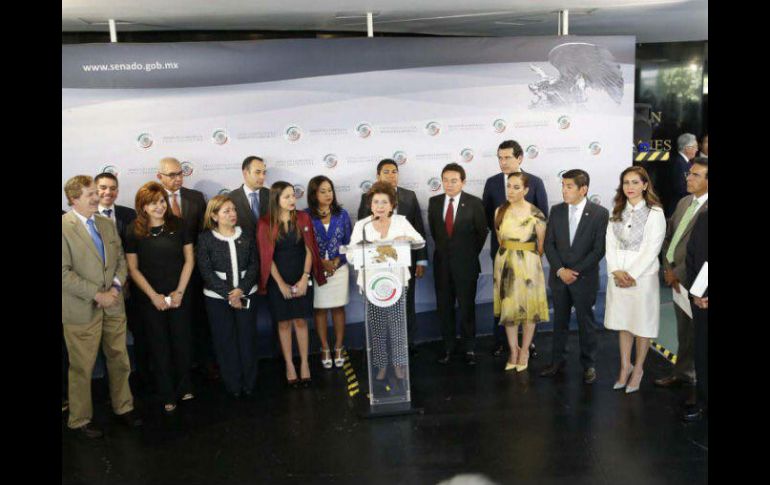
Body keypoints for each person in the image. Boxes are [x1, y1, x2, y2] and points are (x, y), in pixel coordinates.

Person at [62, 176, 142, 439]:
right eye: (90, 195)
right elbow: (64, 274)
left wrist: (115, 290)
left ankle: (124, 407)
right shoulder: (64, 227)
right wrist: (98, 295)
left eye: (96, 193)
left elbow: (120, 261)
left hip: (114, 305)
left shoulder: (107, 223)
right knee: (82, 368)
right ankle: (79, 419)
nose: (97, 198)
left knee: (120, 358)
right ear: (73, 199)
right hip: (81, 310)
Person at [125, 182, 195, 413]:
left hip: (179, 295)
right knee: (159, 346)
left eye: (162, 201)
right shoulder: (133, 230)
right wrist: (153, 296)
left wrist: (180, 292)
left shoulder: (179, 225)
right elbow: (133, 268)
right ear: (143, 207)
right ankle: (167, 393)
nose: (160, 206)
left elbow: (189, 260)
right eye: (153, 203)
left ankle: (184, 387)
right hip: (149, 299)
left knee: (181, 342)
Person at [350, 182, 426, 381]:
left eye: (384, 202)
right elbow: (350, 255)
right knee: (377, 327)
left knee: (398, 325)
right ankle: (381, 365)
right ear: (370, 205)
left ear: (392, 205)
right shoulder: (362, 225)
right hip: (372, 284)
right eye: (376, 202)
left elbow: (420, 241)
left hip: (396, 282)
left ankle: (399, 364)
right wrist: (363, 248)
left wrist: (406, 238)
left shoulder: (401, 222)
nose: (380, 206)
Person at [541, 169, 609, 384]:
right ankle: (557, 362)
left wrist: (575, 272)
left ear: (583, 189)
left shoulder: (599, 213)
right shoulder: (557, 210)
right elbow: (549, 244)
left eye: (569, 186)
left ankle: (589, 365)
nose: (564, 190)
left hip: (584, 279)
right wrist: (560, 270)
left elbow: (598, 250)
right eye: (563, 185)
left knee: (585, 322)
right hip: (559, 278)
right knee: (559, 321)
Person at [482, 140, 548, 357]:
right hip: (502, 252)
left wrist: (532, 250)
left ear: (519, 158)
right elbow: (487, 217)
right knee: (505, 298)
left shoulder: (535, 182)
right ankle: (503, 343)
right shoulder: (492, 183)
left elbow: (543, 217)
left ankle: (528, 345)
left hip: (528, 256)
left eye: (507, 157)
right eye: (500, 158)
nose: (503, 162)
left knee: (528, 299)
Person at [603, 167, 666, 393]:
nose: (629, 187)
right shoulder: (616, 210)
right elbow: (609, 243)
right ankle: (625, 367)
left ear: (645, 185)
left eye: (635, 182)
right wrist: (616, 271)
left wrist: (631, 275)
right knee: (624, 323)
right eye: (626, 182)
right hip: (618, 276)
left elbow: (652, 249)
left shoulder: (655, 213)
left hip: (643, 279)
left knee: (642, 324)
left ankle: (638, 369)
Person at [257, 182, 326, 387]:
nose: (292, 200)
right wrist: (280, 284)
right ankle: (289, 365)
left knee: (301, 321)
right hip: (278, 281)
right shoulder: (265, 223)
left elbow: (310, 249)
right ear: (276, 199)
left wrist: (305, 277)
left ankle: (304, 363)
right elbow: (266, 257)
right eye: (286, 197)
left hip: (301, 276)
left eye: (293, 195)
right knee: (284, 323)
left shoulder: (303, 217)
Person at [156, 157, 218, 381]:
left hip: (197, 270)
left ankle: (205, 362)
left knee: (200, 318)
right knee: (173, 322)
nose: (178, 178)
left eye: (180, 173)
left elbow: (204, 233)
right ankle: (177, 367)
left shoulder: (196, 198)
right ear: (159, 176)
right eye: (172, 174)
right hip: (167, 272)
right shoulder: (154, 200)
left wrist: (197, 260)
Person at [357, 159, 428, 354]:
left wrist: (421, 259)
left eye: (394, 171)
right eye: (386, 172)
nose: (391, 175)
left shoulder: (409, 196)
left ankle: (406, 346)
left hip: (404, 264)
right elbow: (361, 235)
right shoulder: (367, 198)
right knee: (380, 307)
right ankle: (381, 348)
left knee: (406, 304)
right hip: (377, 267)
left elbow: (418, 228)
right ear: (378, 176)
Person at [197, 195, 260, 398]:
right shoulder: (205, 239)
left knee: (247, 338)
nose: (233, 214)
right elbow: (206, 271)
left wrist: (241, 290)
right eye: (226, 211)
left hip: (247, 294)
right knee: (225, 341)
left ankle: (249, 382)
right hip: (217, 300)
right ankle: (233, 384)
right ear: (214, 216)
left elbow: (254, 265)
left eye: (233, 209)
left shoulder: (247, 235)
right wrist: (228, 294)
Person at [655, 158, 708, 390]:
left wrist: (677, 273)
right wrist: (668, 268)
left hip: (696, 281)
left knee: (699, 335)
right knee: (684, 330)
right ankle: (684, 373)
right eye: (689, 173)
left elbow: (701, 252)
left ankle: (699, 382)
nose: (689, 178)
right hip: (675, 278)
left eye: (696, 175)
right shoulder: (684, 202)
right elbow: (670, 237)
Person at [94, 172, 150, 393]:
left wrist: (127, 281)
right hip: (104, 293)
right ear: (95, 190)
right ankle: (112, 389)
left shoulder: (129, 215)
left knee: (141, 335)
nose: (108, 192)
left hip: (132, 289)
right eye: (103, 187)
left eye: (112, 188)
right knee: (108, 343)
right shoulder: (86, 218)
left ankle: (144, 382)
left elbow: (138, 250)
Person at [428, 163, 489, 366]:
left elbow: (482, 232)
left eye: (454, 180)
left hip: (466, 266)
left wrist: (467, 254)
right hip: (442, 266)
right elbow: (435, 234)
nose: (449, 184)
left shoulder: (474, 203)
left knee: (466, 308)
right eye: (445, 180)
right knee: (444, 308)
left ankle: (469, 348)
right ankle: (448, 348)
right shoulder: (434, 202)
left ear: (463, 182)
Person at [493, 172, 549, 372]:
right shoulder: (500, 210)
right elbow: (500, 239)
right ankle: (513, 351)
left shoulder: (536, 213)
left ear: (526, 190)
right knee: (509, 309)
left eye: (516, 187)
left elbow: (541, 246)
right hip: (505, 263)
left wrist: (525, 259)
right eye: (509, 186)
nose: (511, 190)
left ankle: (524, 351)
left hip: (528, 265)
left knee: (528, 310)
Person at [306, 176, 352, 369]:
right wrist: (320, 263)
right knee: (320, 309)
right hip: (317, 270)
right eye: (322, 191)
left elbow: (348, 243)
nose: (328, 194)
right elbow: (305, 245)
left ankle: (339, 346)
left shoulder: (342, 214)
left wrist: (336, 261)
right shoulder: (305, 216)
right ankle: (324, 348)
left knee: (338, 308)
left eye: (330, 190)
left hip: (339, 269)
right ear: (314, 194)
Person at [683, 209, 708, 421]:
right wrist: (695, 292)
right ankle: (703, 401)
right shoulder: (704, 218)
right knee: (702, 352)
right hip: (701, 301)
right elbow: (691, 257)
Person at [659, 133, 698, 217]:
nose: (697, 150)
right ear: (687, 148)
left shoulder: (686, 162)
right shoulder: (678, 163)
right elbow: (679, 188)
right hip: (678, 208)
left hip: (684, 206)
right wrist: (698, 189)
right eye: (695, 147)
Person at [230, 155, 270, 239]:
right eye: (257, 172)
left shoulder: (272, 195)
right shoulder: (231, 198)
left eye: (264, 173)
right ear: (245, 173)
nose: (262, 177)